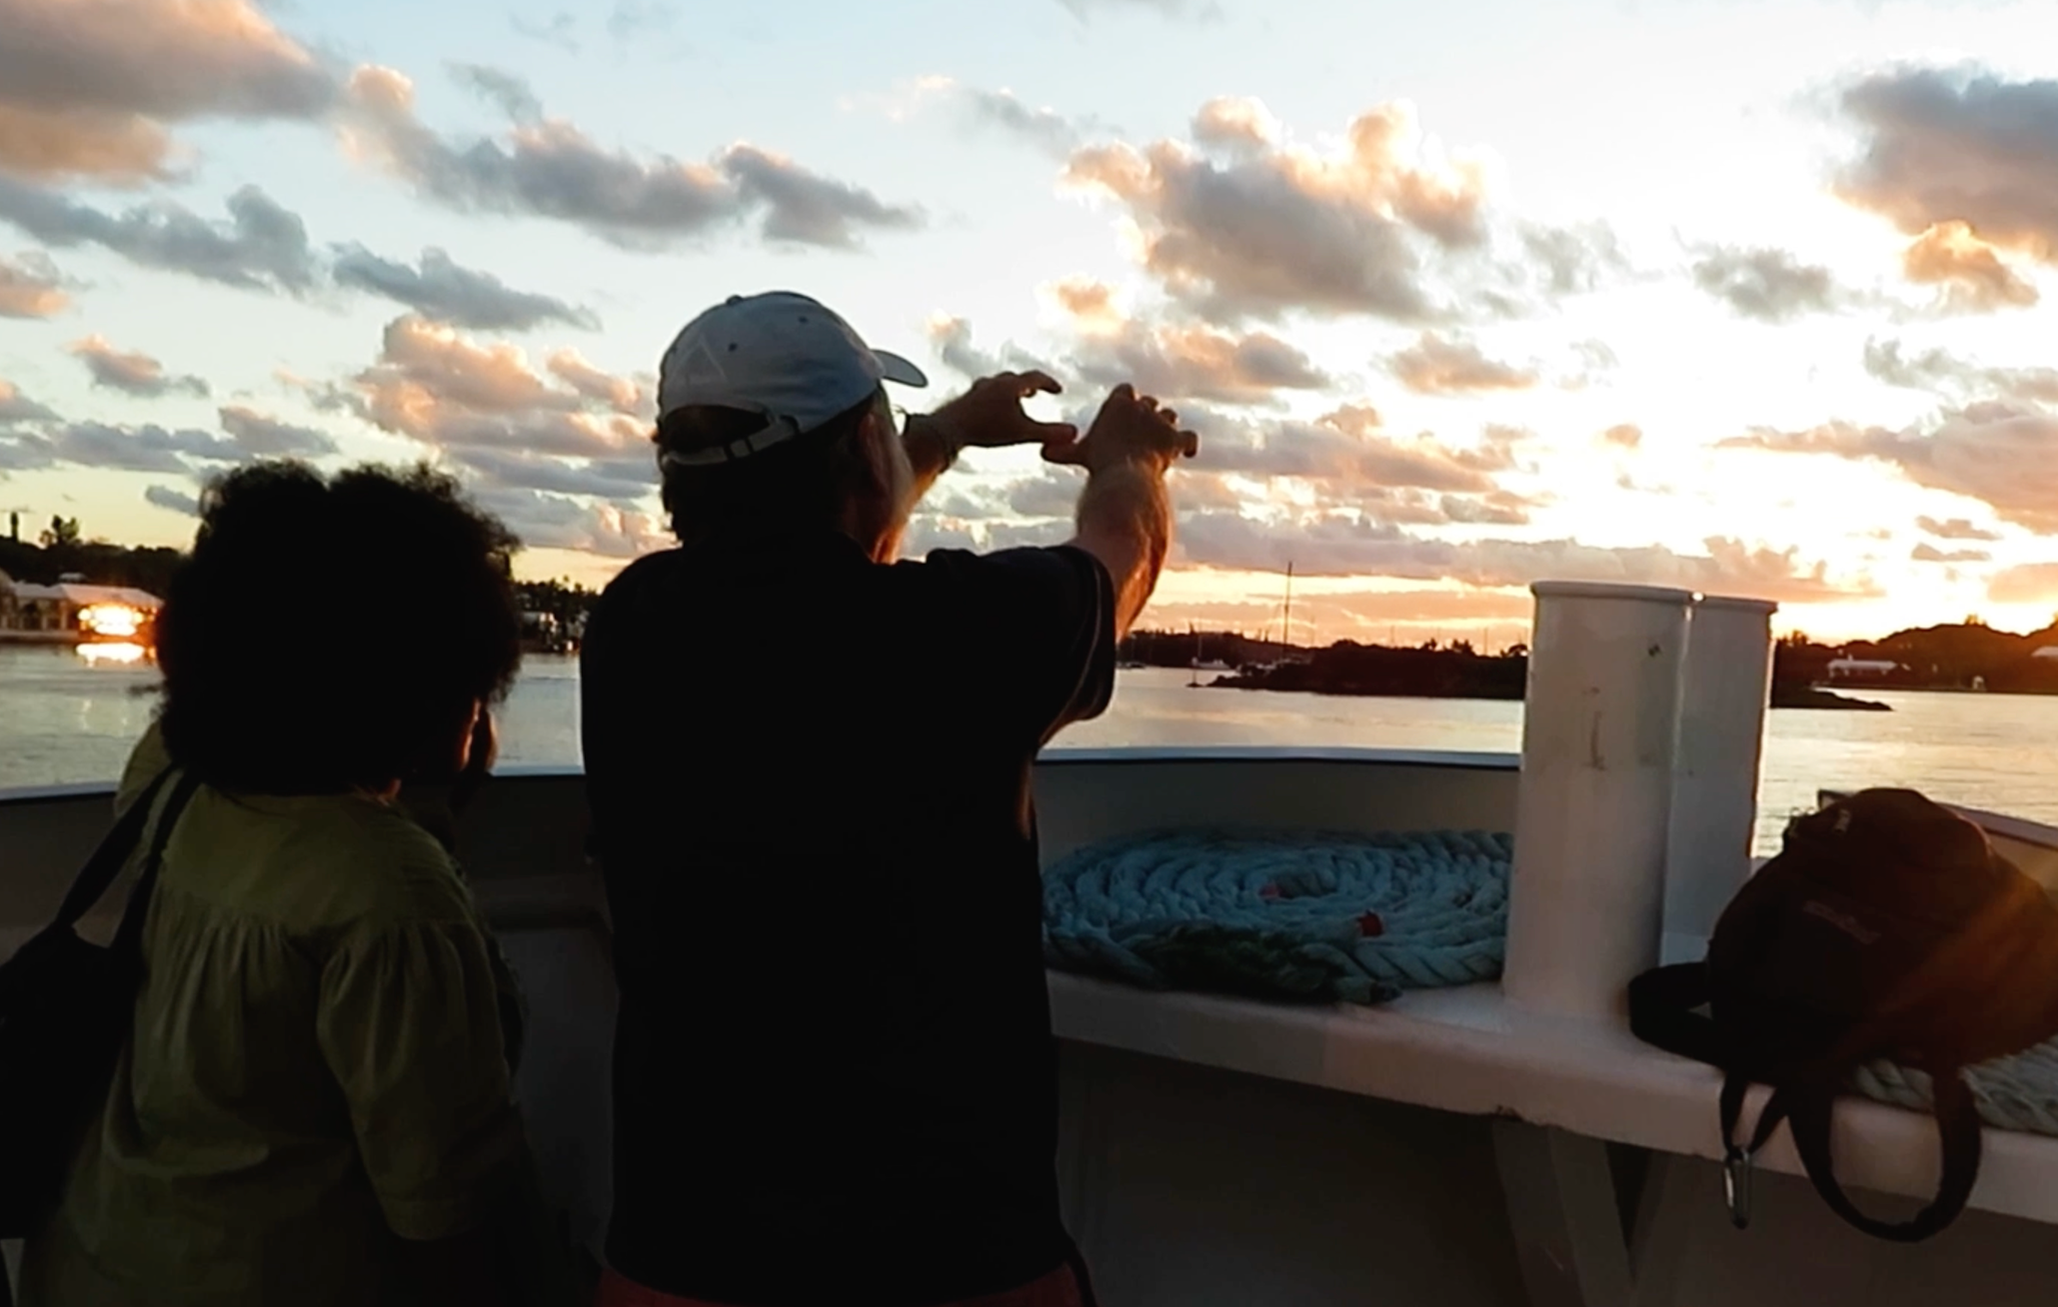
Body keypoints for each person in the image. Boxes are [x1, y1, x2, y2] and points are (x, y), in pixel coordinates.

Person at [582, 291, 1192, 1307]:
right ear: (868, 449)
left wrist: (941, 433)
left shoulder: (631, 626)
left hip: (682, 1259)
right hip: (948, 1259)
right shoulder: (959, 636)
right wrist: (1132, 458)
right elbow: (1118, 558)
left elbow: (805, 571)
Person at [21, 463, 556, 1307]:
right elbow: (445, 1210)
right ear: (424, 682)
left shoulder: (169, 779)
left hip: (91, 1261)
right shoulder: (392, 894)